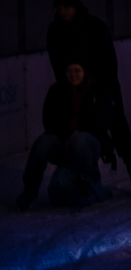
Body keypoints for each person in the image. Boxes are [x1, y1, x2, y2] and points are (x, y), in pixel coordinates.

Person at [47, 0, 131, 192]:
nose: (61, 11)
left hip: (103, 86)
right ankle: (82, 175)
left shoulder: (94, 28)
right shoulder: (56, 32)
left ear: (75, 6)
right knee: (76, 129)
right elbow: (57, 64)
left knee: (117, 123)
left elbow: (109, 62)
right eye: (59, 7)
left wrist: (105, 91)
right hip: (74, 89)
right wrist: (69, 88)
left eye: (65, 7)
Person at [19, 61, 114, 208]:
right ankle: (29, 191)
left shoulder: (97, 91)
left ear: (84, 72)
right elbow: (49, 120)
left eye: (77, 71)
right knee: (43, 143)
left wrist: (79, 132)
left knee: (80, 140)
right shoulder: (57, 90)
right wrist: (65, 135)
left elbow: (104, 121)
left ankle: (85, 188)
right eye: (70, 71)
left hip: (90, 143)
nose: (73, 75)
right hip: (63, 141)